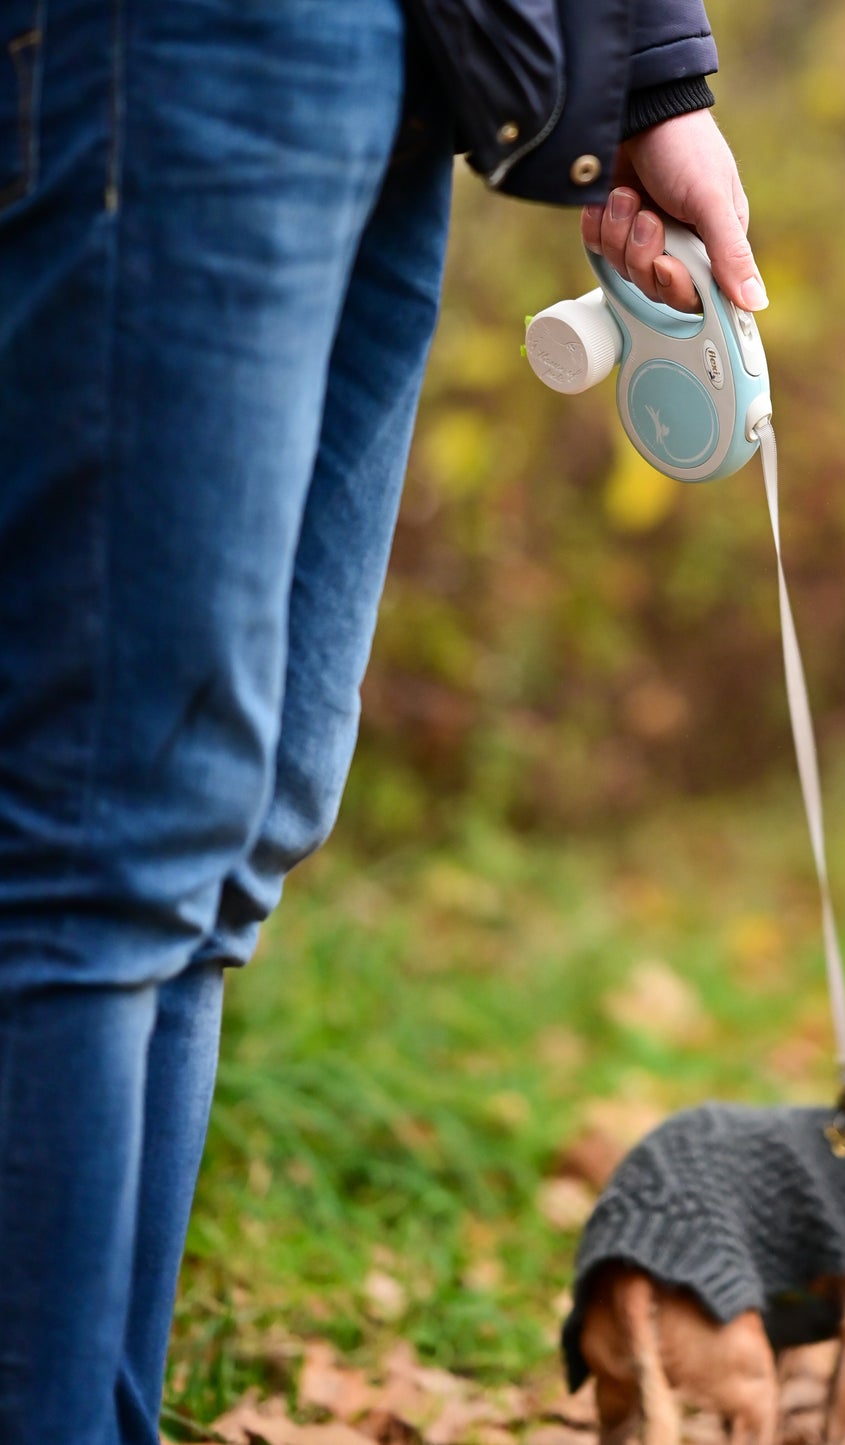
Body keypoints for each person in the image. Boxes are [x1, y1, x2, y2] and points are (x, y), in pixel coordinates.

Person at [0, 2, 764, 1441]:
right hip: (181, 42)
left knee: (238, 830)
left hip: (417, 59)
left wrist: (650, 72)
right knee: (112, 824)